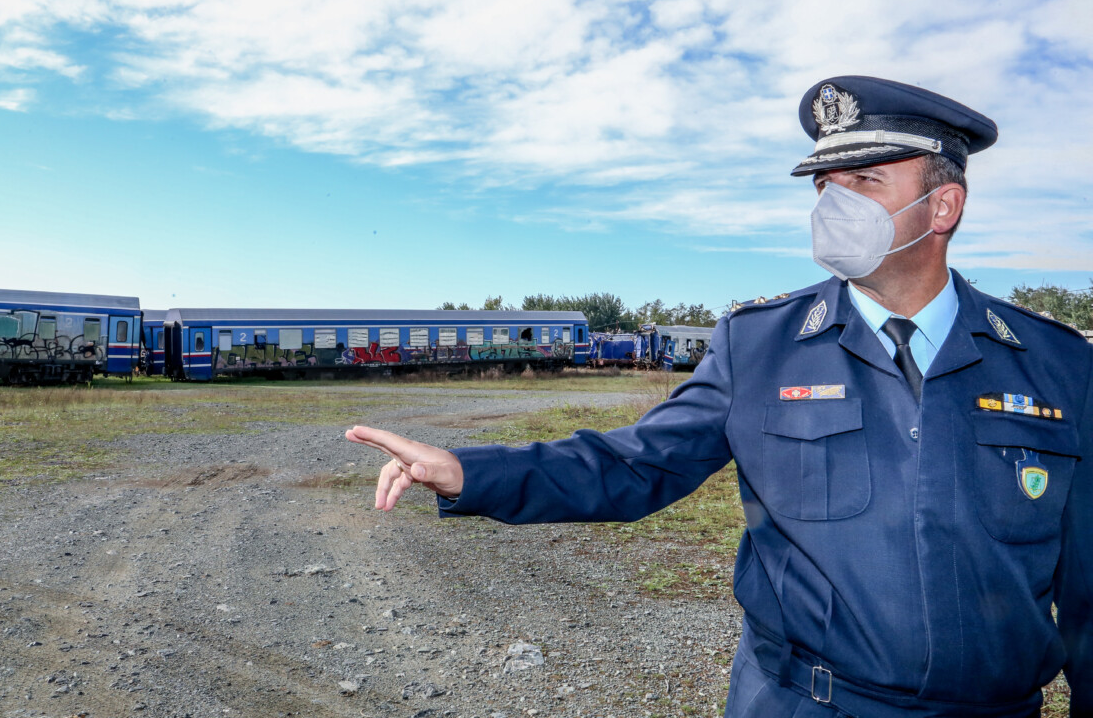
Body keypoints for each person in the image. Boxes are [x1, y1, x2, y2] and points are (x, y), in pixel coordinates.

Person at [346, 76, 1092, 717]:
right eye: (826, 187)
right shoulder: (759, 345)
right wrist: (468, 470)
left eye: (866, 182)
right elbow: (634, 465)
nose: (835, 204)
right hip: (804, 703)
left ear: (943, 208)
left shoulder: (1057, 366)